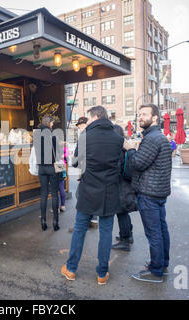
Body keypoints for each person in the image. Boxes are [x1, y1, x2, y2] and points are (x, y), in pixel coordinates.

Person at [61, 106, 124, 285]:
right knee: (106, 231)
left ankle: (71, 269)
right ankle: (102, 274)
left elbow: (74, 162)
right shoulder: (118, 138)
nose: (87, 121)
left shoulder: (85, 137)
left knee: (80, 228)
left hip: (89, 190)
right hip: (110, 191)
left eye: (88, 118)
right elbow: (120, 163)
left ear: (96, 117)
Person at [123, 104, 173, 283]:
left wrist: (130, 149)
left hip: (149, 194)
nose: (140, 117)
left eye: (144, 114)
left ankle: (156, 270)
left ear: (155, 118)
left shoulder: (152, 139)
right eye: (139, 114)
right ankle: (162, 264)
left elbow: (138, 164)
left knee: (154, 233)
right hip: (158, 193)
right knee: (161, 229)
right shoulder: (158, 137)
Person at [111, 124, 137, 252]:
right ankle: (128, 235)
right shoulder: (126, 148)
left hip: (121, 185)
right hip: (127, 184)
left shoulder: (117, 150)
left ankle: (124, 240)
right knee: (124, 212)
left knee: (121, 213)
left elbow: (116, 169)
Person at [34, 115, 60, 231]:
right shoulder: (52, 135)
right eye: (52, 123)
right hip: (52, 168)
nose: (53, 125)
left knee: (43, 194)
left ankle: (43, 221)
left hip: (41, 168)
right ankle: (55, 221)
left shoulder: (36, 135)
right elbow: (57, 153)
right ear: (49, 123)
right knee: (54, 194)